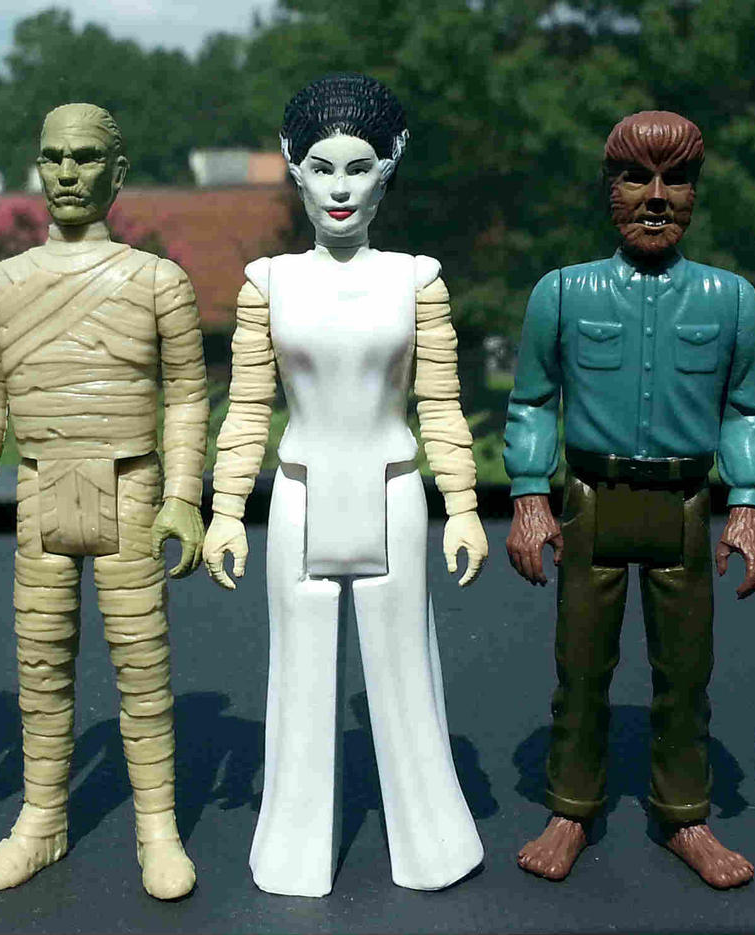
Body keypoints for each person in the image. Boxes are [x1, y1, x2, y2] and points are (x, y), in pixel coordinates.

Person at [203, 73, 487, 898]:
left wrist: (464, 505)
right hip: (298, 494)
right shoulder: (267, 283)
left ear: (389, 165)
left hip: (393, 490)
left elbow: (441, 404)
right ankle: (291, 849)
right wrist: (227, 509)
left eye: (358, 168)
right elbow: (246, 407)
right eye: (323, 167)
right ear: (293, 165)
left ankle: (434, 843)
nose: (339, 188)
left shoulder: (417, 279)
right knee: (299, 679)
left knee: (405, 674)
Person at [0, 103, 207, 900]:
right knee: (41, 661)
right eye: (53, 156)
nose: (67, 172)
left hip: (131, 484)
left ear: (116, 173)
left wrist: (183, 495)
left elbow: (187, 397)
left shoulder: (157, 281)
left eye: (85, 157)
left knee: (142, 662)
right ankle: (43, 816)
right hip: (41, 483)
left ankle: (157, 824)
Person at [505, 111, 755, 890]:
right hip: (590, 503)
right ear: (609, 188)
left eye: (676, 179)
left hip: (684, 506)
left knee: (686, 672)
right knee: (580, 667)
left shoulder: (731, 300)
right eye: (636, 177)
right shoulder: (562, 292)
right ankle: (570, 807)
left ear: (695, 192)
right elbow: (532, 402)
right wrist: (529, 495)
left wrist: (749, 505)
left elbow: (747, 411)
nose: (656, 197)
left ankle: (685, 813)